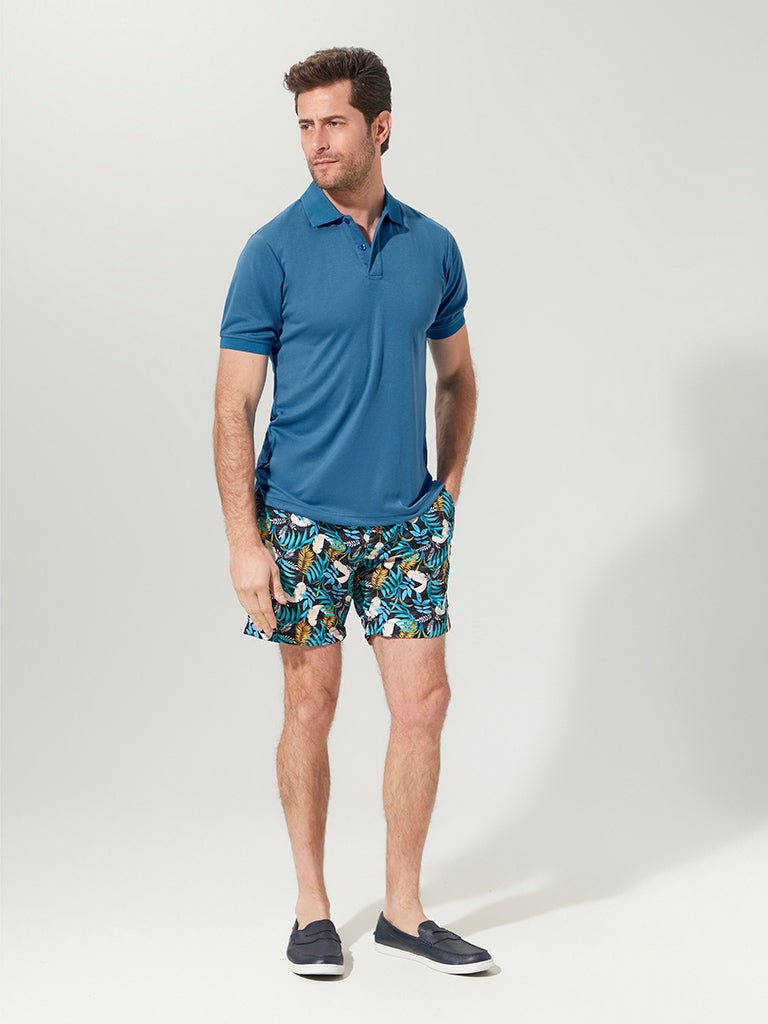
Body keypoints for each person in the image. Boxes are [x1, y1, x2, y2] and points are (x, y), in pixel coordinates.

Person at [213, 46, 493, 976]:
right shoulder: (272, 251)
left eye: (332, 123)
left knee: (425, 704)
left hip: (405, 523)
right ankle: (312, 908)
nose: (315, 143)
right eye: (304, 126)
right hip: (300, 519)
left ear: (380, 127)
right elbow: (232, 405)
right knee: (312, 702)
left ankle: (404, 913)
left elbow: (458, 378)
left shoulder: (433, 246)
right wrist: (244, 540)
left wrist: (448, 489)